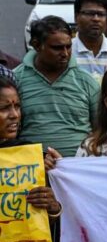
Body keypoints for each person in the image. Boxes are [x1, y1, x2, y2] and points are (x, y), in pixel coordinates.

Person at [0, 76, 64, 242]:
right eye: (4, 108)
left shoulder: (32, 158)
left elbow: (54, 227)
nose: (14, 115)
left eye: (17, 106)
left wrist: (53, 208)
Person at [14, 15, 99, 157]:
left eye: (69, 46)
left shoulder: (87, 81)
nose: (65, 53)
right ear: (36, 45)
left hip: (78, 169)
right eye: (57, 48)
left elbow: (101, 128)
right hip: (30, 170)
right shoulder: (16, 80)